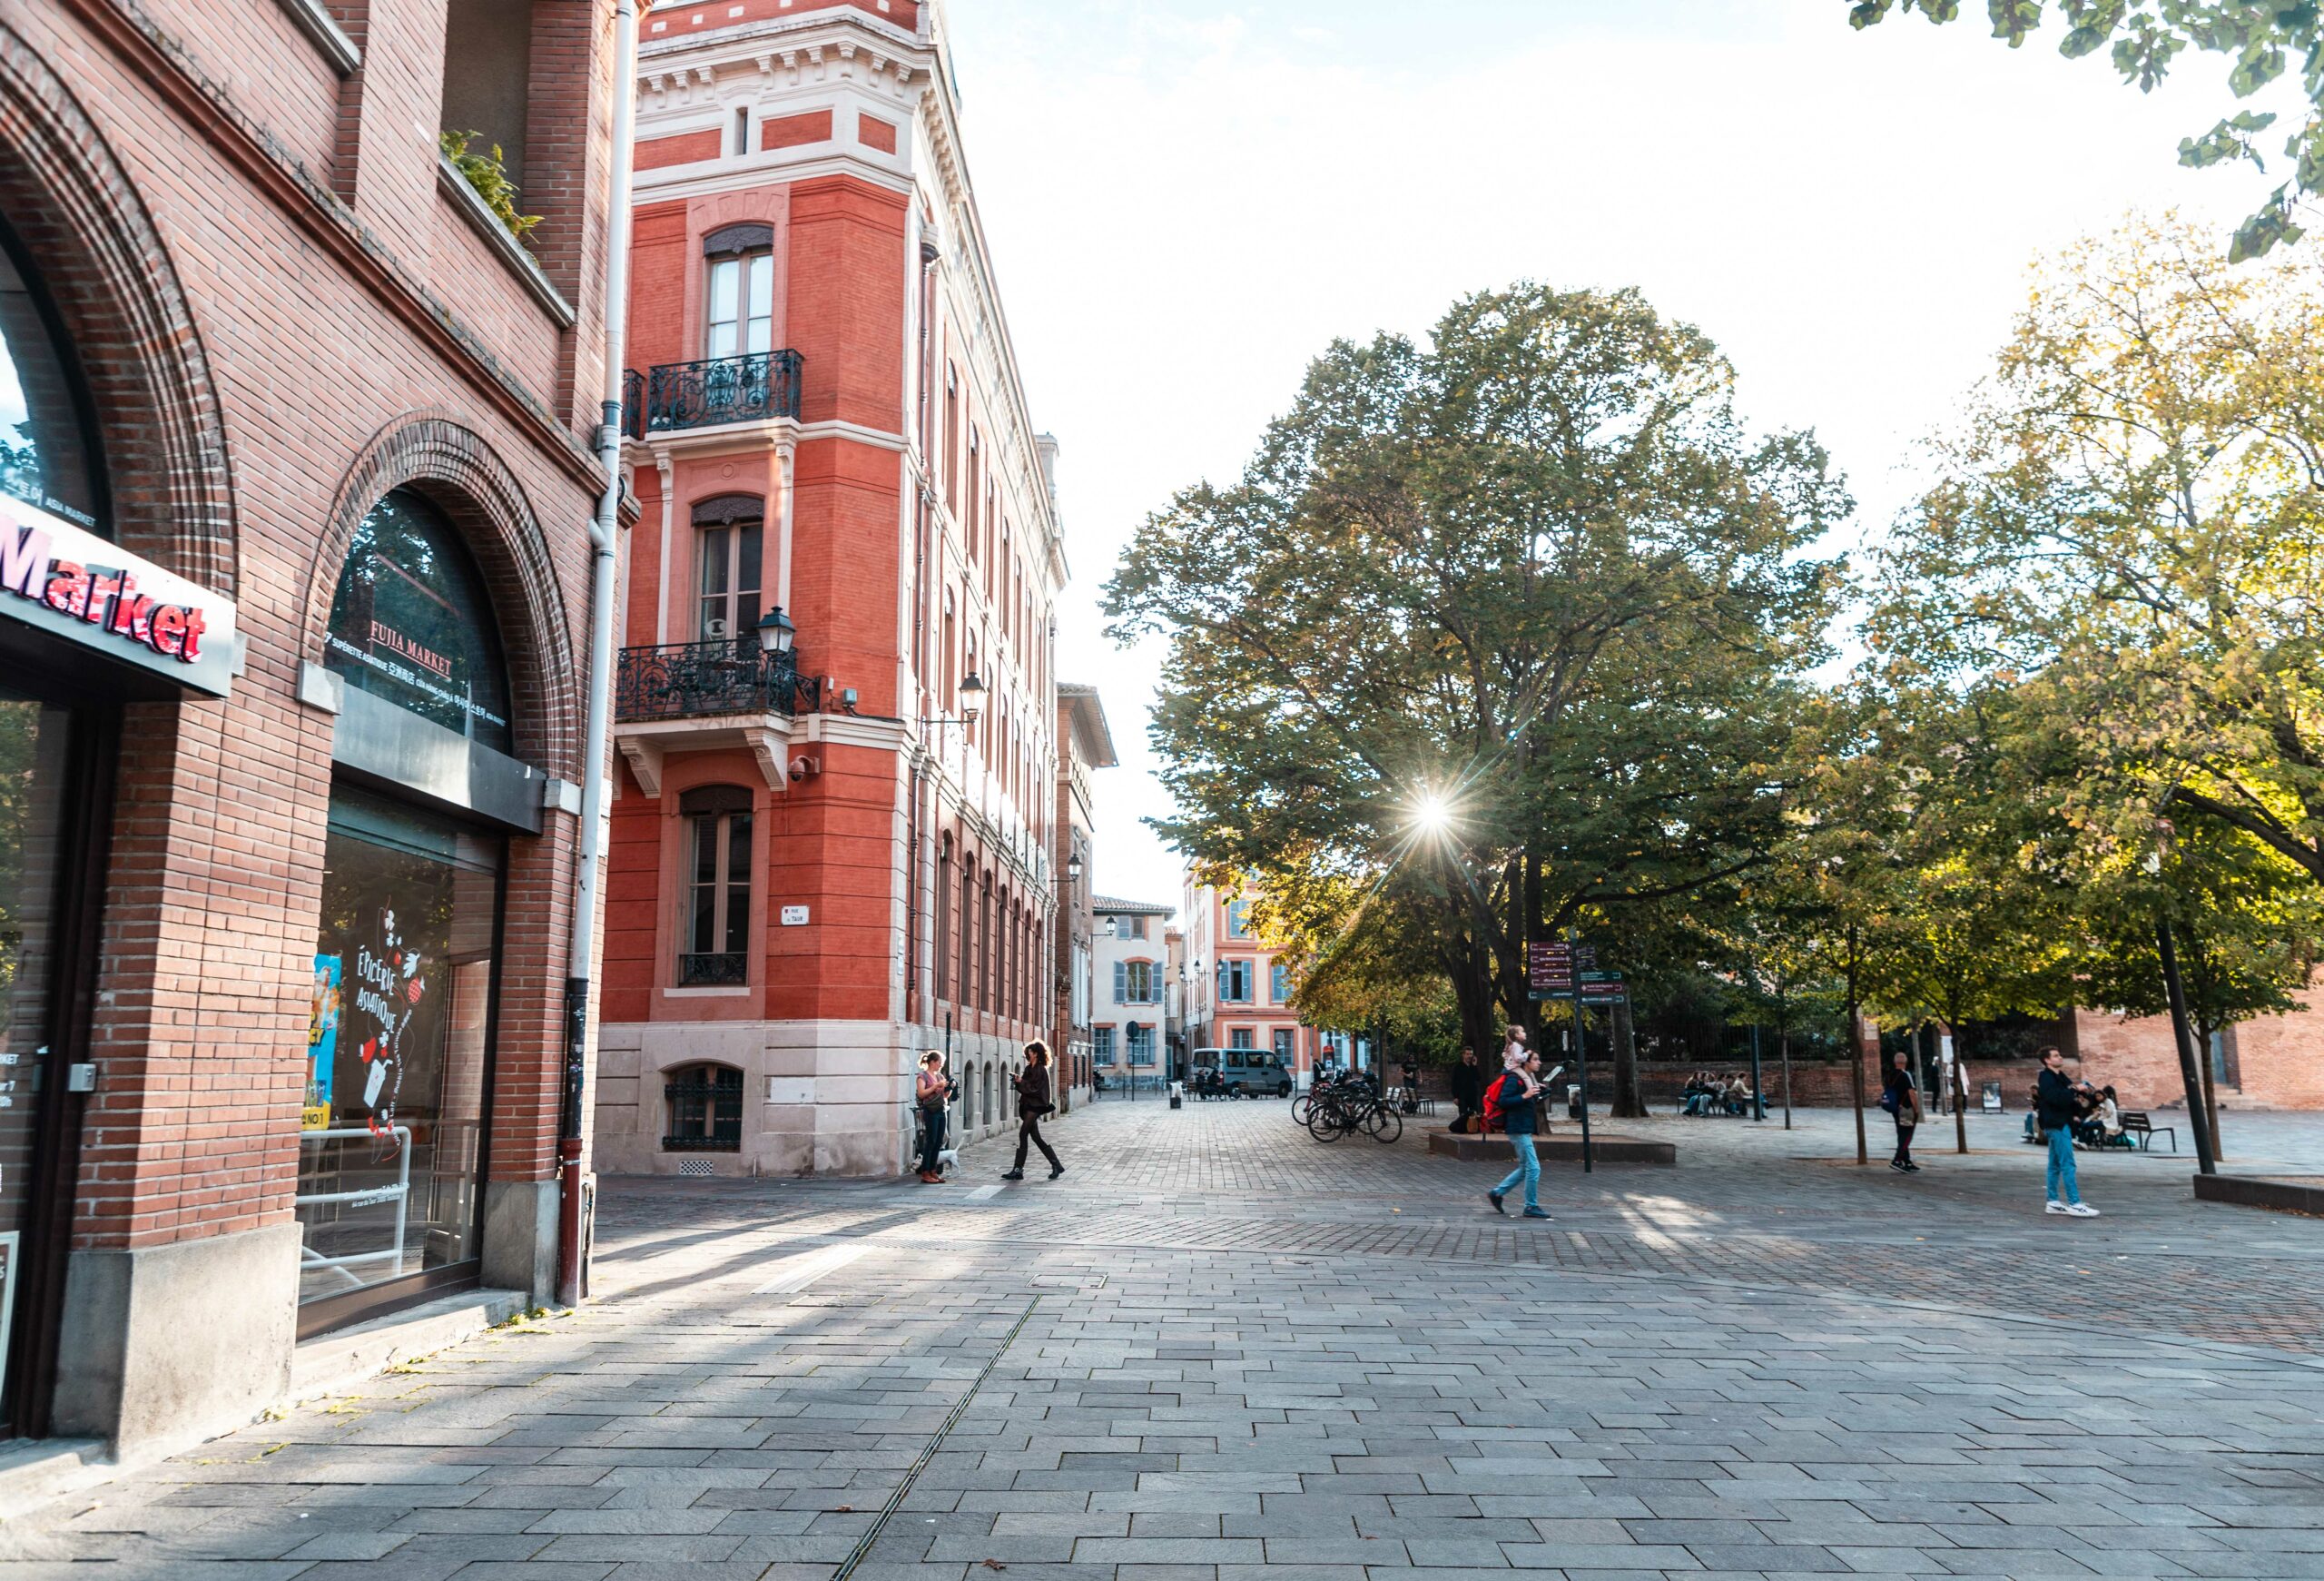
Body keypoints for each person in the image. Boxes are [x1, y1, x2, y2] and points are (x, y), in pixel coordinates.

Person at [1483, 1051, 1551, 1220]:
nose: (1539, 1062)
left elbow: (1524, 1102)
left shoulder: (1528, 1080)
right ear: (1525, 1062)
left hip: (1522, 1127)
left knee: (1524, 1168)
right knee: (1534, 1168)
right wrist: (1525, 1095)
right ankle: (1531, 1206)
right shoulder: (1515, 1079)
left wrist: (1536, 1094)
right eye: (1535, 1059)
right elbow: (1504, 1101)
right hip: (1517, 1128)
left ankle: (1497, 1193)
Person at [2035, 1046, 2098, 1217]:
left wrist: (2081, 1095)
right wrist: (2074, 1089)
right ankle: (2074, 1203)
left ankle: (2053, 1201)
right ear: (2047, 1060)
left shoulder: (2060, 1077)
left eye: (2059, 1054)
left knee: (2054, 1165)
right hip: (2057, 1123)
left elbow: (2067, 1097)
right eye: (2056, 1056)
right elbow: (2055, 1098)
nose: (2060, 1057)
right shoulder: (2046, 1077)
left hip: (2061, 1122)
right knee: (2068, 1164)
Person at [1001, 1041, 1064, 1181]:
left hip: (1035, 1106)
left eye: (1030, 1052)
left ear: (1036, 1053)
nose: (1027, 1054)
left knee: (1023, 1133)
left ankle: (1018, 1169)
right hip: (1028, 1104)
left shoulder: (1041, 1069)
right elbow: (1026, 1085)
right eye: (1027, 1052)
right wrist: (1019, 1080)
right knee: (1036, 1137)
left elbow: (1035, 1089)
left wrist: (1021, 1082)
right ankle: (1056, 1165)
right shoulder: (1030, 1068)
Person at [914, 1052, 953, 1184]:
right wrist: (936, 1086)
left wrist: (949, 1088)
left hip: (941, 1110)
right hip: (930, 1111)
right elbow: (921, 1094)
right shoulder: (922, 1076)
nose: (940, 1065)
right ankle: (925, 1172)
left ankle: (933, 1170)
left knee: (938, 1141)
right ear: (932, 1062)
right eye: (939, 1062)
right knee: (930, 1141)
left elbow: (945, 1096)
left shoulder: (940, 1076)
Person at [1882, 1050, 1921, 1173]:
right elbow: (1911, 1093)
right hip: (1906, 1108)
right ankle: (1897, 1160)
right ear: (1906, 1061)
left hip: (1895, 1108)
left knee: (1901, 1132)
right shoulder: (1906, 1075)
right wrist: (1917, 1109)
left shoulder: (1889, 1075)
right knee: (1907, 1135)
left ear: (1895, 1062)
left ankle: (1907, 1161)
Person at [1450, 1046, 1482, 1132]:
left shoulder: (1473, 1066)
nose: (1469, 1056)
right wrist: (1455, 1096)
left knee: (1474, 1113)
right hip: (1462, 1095)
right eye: (1467, 1054)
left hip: (1473, 1094)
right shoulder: (1458, 1067)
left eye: (1471, 1054)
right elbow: (1454, 1082)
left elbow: (1478, 1078)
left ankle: (1473, 1129)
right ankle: (1463, 1129)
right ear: (1463, 1055)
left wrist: (1475, 1066)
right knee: (1463, 1114)